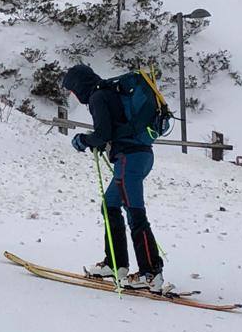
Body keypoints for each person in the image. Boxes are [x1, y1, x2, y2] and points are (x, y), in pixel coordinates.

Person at [62, 64, 166, 292]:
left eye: (72, 90)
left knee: (135, 212)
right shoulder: (108, 93)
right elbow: (110, 131)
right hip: (137, 156)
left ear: (79, 87)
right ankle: (115, 264)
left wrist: (83, 140)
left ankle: (151, 274)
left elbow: (103, 134)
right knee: (109, 206)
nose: (73, 95)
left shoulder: (99, 96)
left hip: (130, 159)